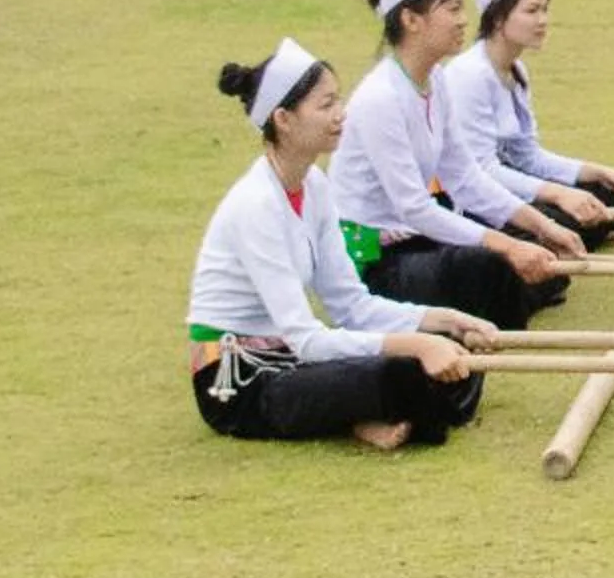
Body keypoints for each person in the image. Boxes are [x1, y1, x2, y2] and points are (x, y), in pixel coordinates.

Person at [187, 38, 492, 448]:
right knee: (404, 374)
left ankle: (362, 415)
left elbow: (352, 305)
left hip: (290, 357)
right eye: (325, 104)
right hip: (240, 380)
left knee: (451, 349)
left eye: (338, 100)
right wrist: (419, 344)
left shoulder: (314, 184)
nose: (340, 114)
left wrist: (442, 320)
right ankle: (360, 416)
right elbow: (306, 339)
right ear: (283, 118)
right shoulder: (256, 205)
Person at [331, 0, 568, 332]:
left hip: (417, 241)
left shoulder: (436, 81)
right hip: (374, 259)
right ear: (411, 19)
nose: (463, 21)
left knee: (532, 253)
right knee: (492, 264)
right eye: (452, 9)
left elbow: (466, 176)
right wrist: (506, 244)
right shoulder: (380, 98)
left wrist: (543, 225)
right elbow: (414, 208)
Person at [436, 0, 614, 252]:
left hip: (512, 185)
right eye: (532, 11)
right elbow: (482, 171)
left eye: (545, 10)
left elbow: (528, 156)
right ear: (498, 16)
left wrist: (598, 171)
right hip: (474, 202)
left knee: (603, 193)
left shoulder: (517, 70)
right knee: (568, 218)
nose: (543, 21)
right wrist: (559, 194)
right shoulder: (468, 75)